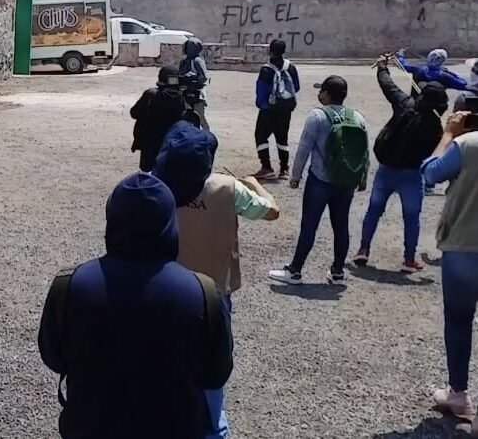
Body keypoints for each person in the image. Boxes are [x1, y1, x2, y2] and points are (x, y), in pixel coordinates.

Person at [38, 173, 233, 439]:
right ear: (170, 223)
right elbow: (215, 374)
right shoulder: (203, 292)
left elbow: (53, 356)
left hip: (90, 429)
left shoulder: (69, 285)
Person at [153, 121, 280, 439]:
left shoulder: (157, 184)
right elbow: (272, 212)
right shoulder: (227, 187)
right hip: (213, 290)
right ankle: (213, 428)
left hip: (165, 287)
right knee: (212, 365)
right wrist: (253, 183)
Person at [269, 75, 370, 286]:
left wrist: (295, 176)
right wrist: (362, 178)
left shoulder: (317, 116)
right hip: (346, 181)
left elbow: (304, 148)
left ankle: (295, 271)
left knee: (310, 225)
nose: (319, 94)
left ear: (326, 93)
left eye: (321, 90)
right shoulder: (357, 117)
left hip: (321, 180)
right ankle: (338, 272)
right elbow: (363, 152)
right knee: (341, 225)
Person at [353, 55, 446, 272]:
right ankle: (409, 259)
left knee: (373, 211)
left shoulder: (405, 104)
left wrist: (383, 68)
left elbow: (389, 86)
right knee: (411, 218)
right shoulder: (436, 127)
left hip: (386, 169)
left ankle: (363, 250)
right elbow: (433, 156)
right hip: (411, 175)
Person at [420, 109, 478, 424]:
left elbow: (429, 174)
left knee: (459, 320)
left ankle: (459, 395)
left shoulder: (467, 144)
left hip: (465, 246)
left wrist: (448, 134)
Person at [252, 39, 301, 180]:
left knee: (261, 135)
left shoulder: (266, 69)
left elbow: (261, 91)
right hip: (285, 109)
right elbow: (296, 87)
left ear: (270, 50)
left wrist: (262, 104)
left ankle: (266, 167)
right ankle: (284, 169)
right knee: (282, 138)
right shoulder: (290, 67)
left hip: (268, 109)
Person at [129, 64, 188, 172]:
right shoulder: (180, 98)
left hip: (149, 142)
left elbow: (134, 113)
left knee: (147, 172)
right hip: (170, 142)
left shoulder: (151, 94)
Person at [397, 48, 468, 91]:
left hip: (417, 105)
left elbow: (403, 65)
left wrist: (400, 55)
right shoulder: (444, 75)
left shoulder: (419, 69)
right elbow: (462, 84)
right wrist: (453, 74)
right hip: (436, 109)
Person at [179, 37, 211, 131]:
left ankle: (207, 135)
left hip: (197, 92)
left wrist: (193, 77)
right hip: (184, 91)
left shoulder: (197, 61)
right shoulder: (184, 62)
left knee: (200, 116)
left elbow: (204, 77)